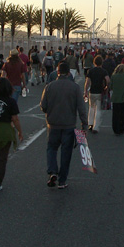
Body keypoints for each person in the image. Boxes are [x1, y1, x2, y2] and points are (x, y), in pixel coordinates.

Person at [40, 61, 87, 189]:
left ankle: (52, 171)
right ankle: (62, 180)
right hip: (69, 125)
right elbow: (82, 108)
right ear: (68, 73)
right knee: (66, 153)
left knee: (51, 148)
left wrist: (50, 111)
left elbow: (43, 106)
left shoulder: (49, 87)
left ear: (58, 72)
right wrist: (84, 124)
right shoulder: (75, 87)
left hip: (53, 124)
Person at [84, 55, 109, 133]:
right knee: (98, 109)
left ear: (94, 62)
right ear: (102, 62)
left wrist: (85, 92)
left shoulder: (90, 71)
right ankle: (96, 127)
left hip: (92, 91)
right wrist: (106, 87)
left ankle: (90, 124)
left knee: (91, 108)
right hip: (100, 92)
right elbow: (108, 80)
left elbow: (87, 82)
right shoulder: (104, 71)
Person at [110, 64, 124, 135]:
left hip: (116, 97)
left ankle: (116, 128)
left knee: (115, 114)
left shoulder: (113, 76)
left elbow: (111, 86)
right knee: (123, 113)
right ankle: (122, 127)